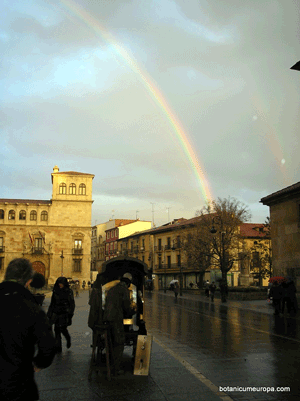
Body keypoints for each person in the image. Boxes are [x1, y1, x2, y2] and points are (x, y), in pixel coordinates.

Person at [0, 258, 55, 401]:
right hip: (19, 386)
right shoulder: (31, 307)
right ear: (28, 282)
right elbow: (48, 345)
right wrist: (38, 363)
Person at [103, 273, 136, 375]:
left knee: (111, 341)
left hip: (107, 318)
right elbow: (126, 306)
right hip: (116, 318)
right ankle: (116, 368)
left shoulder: (112, 289)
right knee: (119, 342)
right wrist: (131, 311)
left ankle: (110, 362)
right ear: (127, 283)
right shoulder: (124, 290)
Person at [47, 277, 75, 352]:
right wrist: (49, 314)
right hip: (56, 312)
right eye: (59, 283)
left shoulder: (68, 291)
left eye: (61, 283)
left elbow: (72, 304)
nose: (60, 285)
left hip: (64, 313)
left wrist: (70, 314)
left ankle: (68, 338)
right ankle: (58, 348)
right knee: (57, 330)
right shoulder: (56, 291)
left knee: (63, 329)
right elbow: (52, 303)